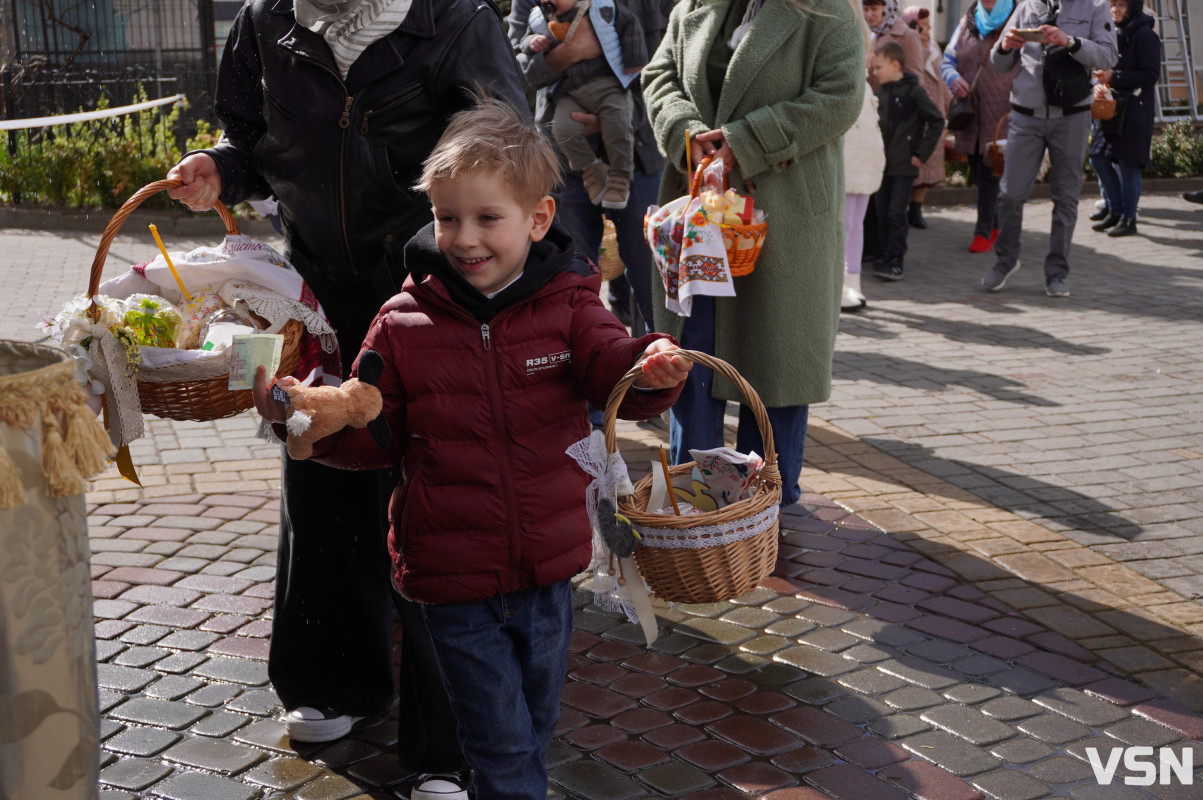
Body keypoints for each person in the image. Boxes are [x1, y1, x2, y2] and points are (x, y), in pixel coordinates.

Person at [253, 97, 691, 800]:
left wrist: (650, 369)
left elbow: (613, 366)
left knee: (534, 722)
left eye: (488, 218)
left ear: (538, 218)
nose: (464, 238)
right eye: (448, 217)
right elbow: (374, 432)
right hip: (448, 573)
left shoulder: (571, 303)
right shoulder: (401, 321)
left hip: (548, 570)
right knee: (500, 744)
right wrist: (316, 425)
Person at [165, 0, 526, 794]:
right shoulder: (266, 21)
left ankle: (450, 740)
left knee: (436, 505)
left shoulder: (456, 21)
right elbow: (249, 136)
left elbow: (503, 156)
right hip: (318, 289)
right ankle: (333, 678)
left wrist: (460, 271)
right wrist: (220, 168)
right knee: (319, 466)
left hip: (430, 289)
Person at [642, 0, 864, 506]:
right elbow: (658, 77)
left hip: (785, 220)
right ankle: (696, 503)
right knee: (691, 358)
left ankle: (764, 506)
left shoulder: (830, 13)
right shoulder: (695, 6)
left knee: (774, 363)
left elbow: (839, 98)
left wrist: (744, 142)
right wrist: (688, 135)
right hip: (699, 217)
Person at [508, 0, 677, 336]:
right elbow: (512, 69)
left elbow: (673, 67)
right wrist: (567, 53)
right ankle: (593, 382)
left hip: (642, 159)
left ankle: (660, 378)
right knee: (568, 297)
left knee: (658, 295)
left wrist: (618, 121)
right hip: (563, 166)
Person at [980, 0, 1117, 297]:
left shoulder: (1095, 6)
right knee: (1010, 193)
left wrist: (1070, 41)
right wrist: (1005, 46)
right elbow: (998, 63)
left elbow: (1108, 55)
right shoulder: (1027, 5)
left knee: (1065, 197)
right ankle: (1005, 261)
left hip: (1072, 116)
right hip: (1025, 116)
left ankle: (1056, 273)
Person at [520, 0, 648, 209]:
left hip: (609, 88)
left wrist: (635, 58)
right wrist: (533, 42)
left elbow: (630, 25)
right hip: (571, 92)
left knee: (617, 122)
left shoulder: (603, 7)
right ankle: (591, 169)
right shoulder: (540, 16)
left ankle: (619, 177)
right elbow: (519, 50)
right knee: (562, 129)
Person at [941, 0, 1018, 252]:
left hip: (1002, 110)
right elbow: (946, 61)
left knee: (990, 170)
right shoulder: (967, 22)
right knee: (977, 168)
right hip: (971, 111)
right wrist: (953, 79)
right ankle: (995, 225)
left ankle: (983, 232)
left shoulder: (1016, 20)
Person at [871, 40, 945, 282]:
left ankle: (895, 261)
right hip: (882, 167)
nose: (874, 72)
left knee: (896, 213)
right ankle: (882, 256)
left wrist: (920, 153)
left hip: (904, 166)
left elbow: (936, 120)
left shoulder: (914, 92)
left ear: (895, 66)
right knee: (881, 213)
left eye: (878, 67)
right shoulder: (879, 95)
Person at [1087, 0, 1160, 238]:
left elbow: (1150, 74)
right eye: (1113, 4)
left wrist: (1114, 76)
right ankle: (1115, 210)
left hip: (1135, 109)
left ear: (1134, 7)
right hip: (1110, 107)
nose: (1115, 10)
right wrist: (1100, 83)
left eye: (1121, 5)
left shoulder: (1145, 35)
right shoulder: (1112, 31)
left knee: (1128, 164)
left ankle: (1129, 218)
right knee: (1098, 157)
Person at [844, 35, 885, 310]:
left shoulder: (866, 86)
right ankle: (840, 285)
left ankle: (853, 282)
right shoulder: (847, 83)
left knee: (856, 225)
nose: (871, 58)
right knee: (844, 227)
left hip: (865, 166)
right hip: (848, 167)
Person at [901, 5, 951, 230]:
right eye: (923, 26)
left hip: (935, 110)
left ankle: (916, 209)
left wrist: (950, 110)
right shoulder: (907, 46)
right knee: (912, 161)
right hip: (914, 113)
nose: (928, 31)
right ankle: (902, 208)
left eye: (930, 26)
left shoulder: (934, 48)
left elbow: (941, 79)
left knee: (929, 162)